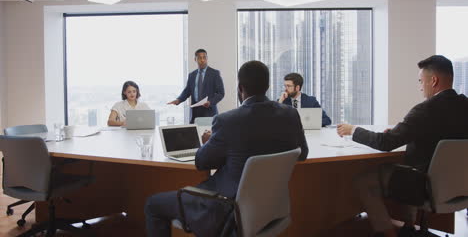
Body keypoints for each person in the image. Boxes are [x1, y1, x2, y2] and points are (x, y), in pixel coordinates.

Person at [145, 61, 309, 237]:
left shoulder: (227, 120)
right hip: (269, 208)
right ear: (267, 86)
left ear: (240, 87)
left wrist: (208, 141)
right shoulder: (290, 114)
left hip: (225, 208)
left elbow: (202, 162)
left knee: (153, 204)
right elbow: (302, 154)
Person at [337, 55, 468, 237]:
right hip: (459, 185)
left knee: (363, 181)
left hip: (423, 185)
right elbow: (439, 134)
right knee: (409, 169)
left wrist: (353, 130)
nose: (420, 87)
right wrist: (402, 132)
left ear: (434, 81)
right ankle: (408, 226)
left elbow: (386, 143)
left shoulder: (425, 110)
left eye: (421, 81)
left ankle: (389, 233)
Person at [168, 49, 225, 123]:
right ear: (195, 59)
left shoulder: (214, 73)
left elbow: (221, 93)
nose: (202, 60)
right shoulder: (192, 75)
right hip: (195, 113)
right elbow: (187, 90)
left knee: (209, 134)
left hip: (209, 112)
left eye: (204, 57)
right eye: (200, 58)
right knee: (194, 133)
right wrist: (179, 100)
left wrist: (210, 102)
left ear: (207, 58)